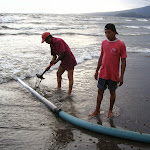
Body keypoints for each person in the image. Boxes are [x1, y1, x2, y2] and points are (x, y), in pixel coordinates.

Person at [89, 23, 127, 118]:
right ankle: (97, 109)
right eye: (105, 32)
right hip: (103, 73)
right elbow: (101, 57)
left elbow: (123, 61)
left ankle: (110, 110)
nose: (107, 34)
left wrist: (121, 76)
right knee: (100, 92)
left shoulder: (121, 44)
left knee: (112, 92)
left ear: (114, 32)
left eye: (109, 32)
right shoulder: (104, 43)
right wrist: (96, 70)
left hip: (113, 75)